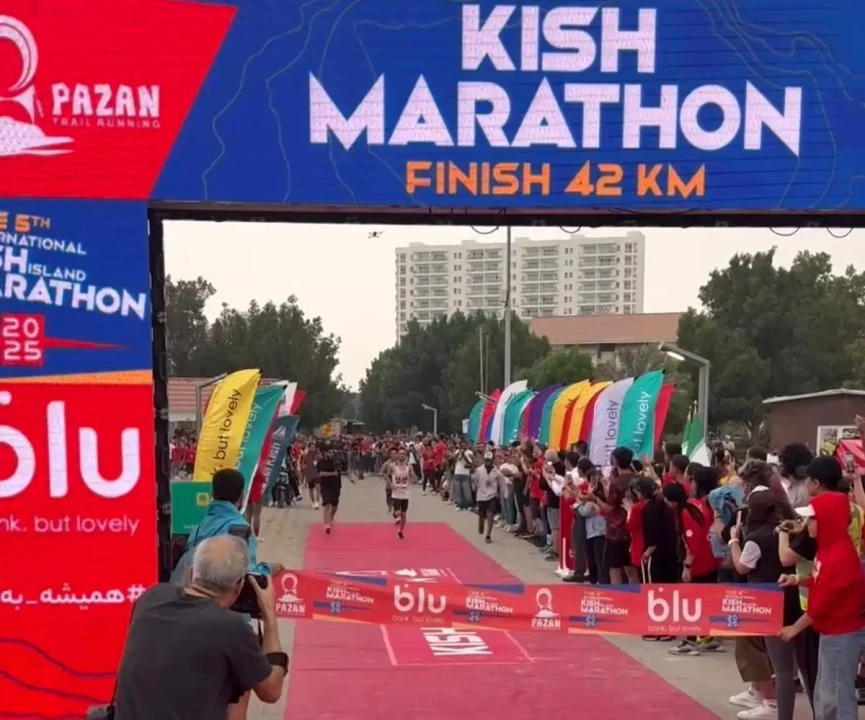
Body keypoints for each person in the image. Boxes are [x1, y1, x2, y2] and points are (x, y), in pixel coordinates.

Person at [112, 536, 287, 720]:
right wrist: (269, 614)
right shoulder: (232, 628)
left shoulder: (151, 597)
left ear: (191, 573)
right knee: (242, 674)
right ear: (239, 586)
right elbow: (271, 691)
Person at [780, 491, 865, 720]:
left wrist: (795, 628)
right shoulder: (827, 549)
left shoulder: (839, 555)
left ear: (829, 520)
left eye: (813, 518)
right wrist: (797, 579)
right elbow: (821, 581)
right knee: (827, 694)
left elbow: (823, 602)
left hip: (842, 635)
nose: (808, 523)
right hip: (832, 634)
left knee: (837, 697)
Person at [730, 490, 801, 720]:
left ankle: (775, 708)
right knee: (801, 666)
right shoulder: (792, 530)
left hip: (766, 603)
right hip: (797, 597)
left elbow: (742, 567)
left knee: (781, 667)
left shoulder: (756, 538)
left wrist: (733, 541)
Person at [172, 469, 279, 585]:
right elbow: (248, 574)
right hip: (219, 592)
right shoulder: (240, 529)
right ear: (241, 497)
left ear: (213, 494)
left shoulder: (200, 526)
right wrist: (269, 569)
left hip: (191, 588)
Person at [473, 451, 502, 543]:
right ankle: (481, 524)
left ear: (492, 460)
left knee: (490, 515)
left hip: (492, 495)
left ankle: (488, 535)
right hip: (481, 495)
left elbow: (502, 483)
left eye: (489, 460)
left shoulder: (496, 471)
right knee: (482, 515)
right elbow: (475, 481)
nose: (487, 462)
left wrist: (501, 494)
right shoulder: (479, 470)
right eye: (486, 460)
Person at [317, 444, 342, 535]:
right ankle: (326, 525)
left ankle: (331, 516)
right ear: (325, 453)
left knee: (334, 506)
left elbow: (341, 470)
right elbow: (320, 474)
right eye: (329, 452)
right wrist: (332, 474)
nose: (331, 454)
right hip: (325, 486)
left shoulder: (336, 461)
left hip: (335, 486)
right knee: (327, 504)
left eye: (332, 452)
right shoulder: (321, 462)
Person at [391, 447, 415, 539]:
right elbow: (386, 474)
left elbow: (413, 478)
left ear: (406, 456)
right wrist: (390, 484)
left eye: (403, 454)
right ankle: (396, 515)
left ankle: (400, 531)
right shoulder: (393, 466)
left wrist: (412, 477)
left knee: (403, 515)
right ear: (398, 455)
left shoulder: (409, 466)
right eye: (400, 454)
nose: (402, 455)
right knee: (398, 513)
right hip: (396, 493)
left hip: (405, 493)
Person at [452, 442, 475, 511]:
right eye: (462, 445)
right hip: (457, 472)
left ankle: (469, 505)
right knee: (458, 490)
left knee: (466, 490)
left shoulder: (470, 452)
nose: (463, 446)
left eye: (465, 445)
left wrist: (464, 456)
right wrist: (459, 453)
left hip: (465, 473)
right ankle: (459, 504)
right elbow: (455, 459)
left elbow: (470, 463)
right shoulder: (457, 451)